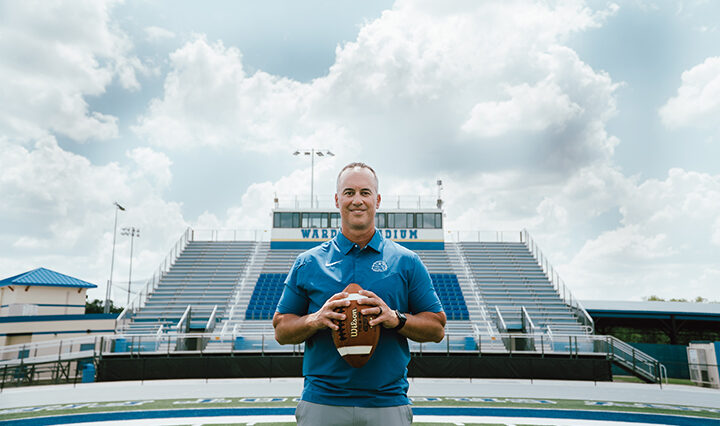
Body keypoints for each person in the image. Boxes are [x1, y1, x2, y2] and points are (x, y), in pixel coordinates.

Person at [273, 162, 447, 426]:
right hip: (322, 401)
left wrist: (395, 318)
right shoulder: (308, 262)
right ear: (336, 200)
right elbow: (281, 330)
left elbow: (437, 328)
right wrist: (315, 319)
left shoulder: (406, 261)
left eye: (365, 193)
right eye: (349, 192)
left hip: (387, 402)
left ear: (377, 200)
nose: (357, 200)